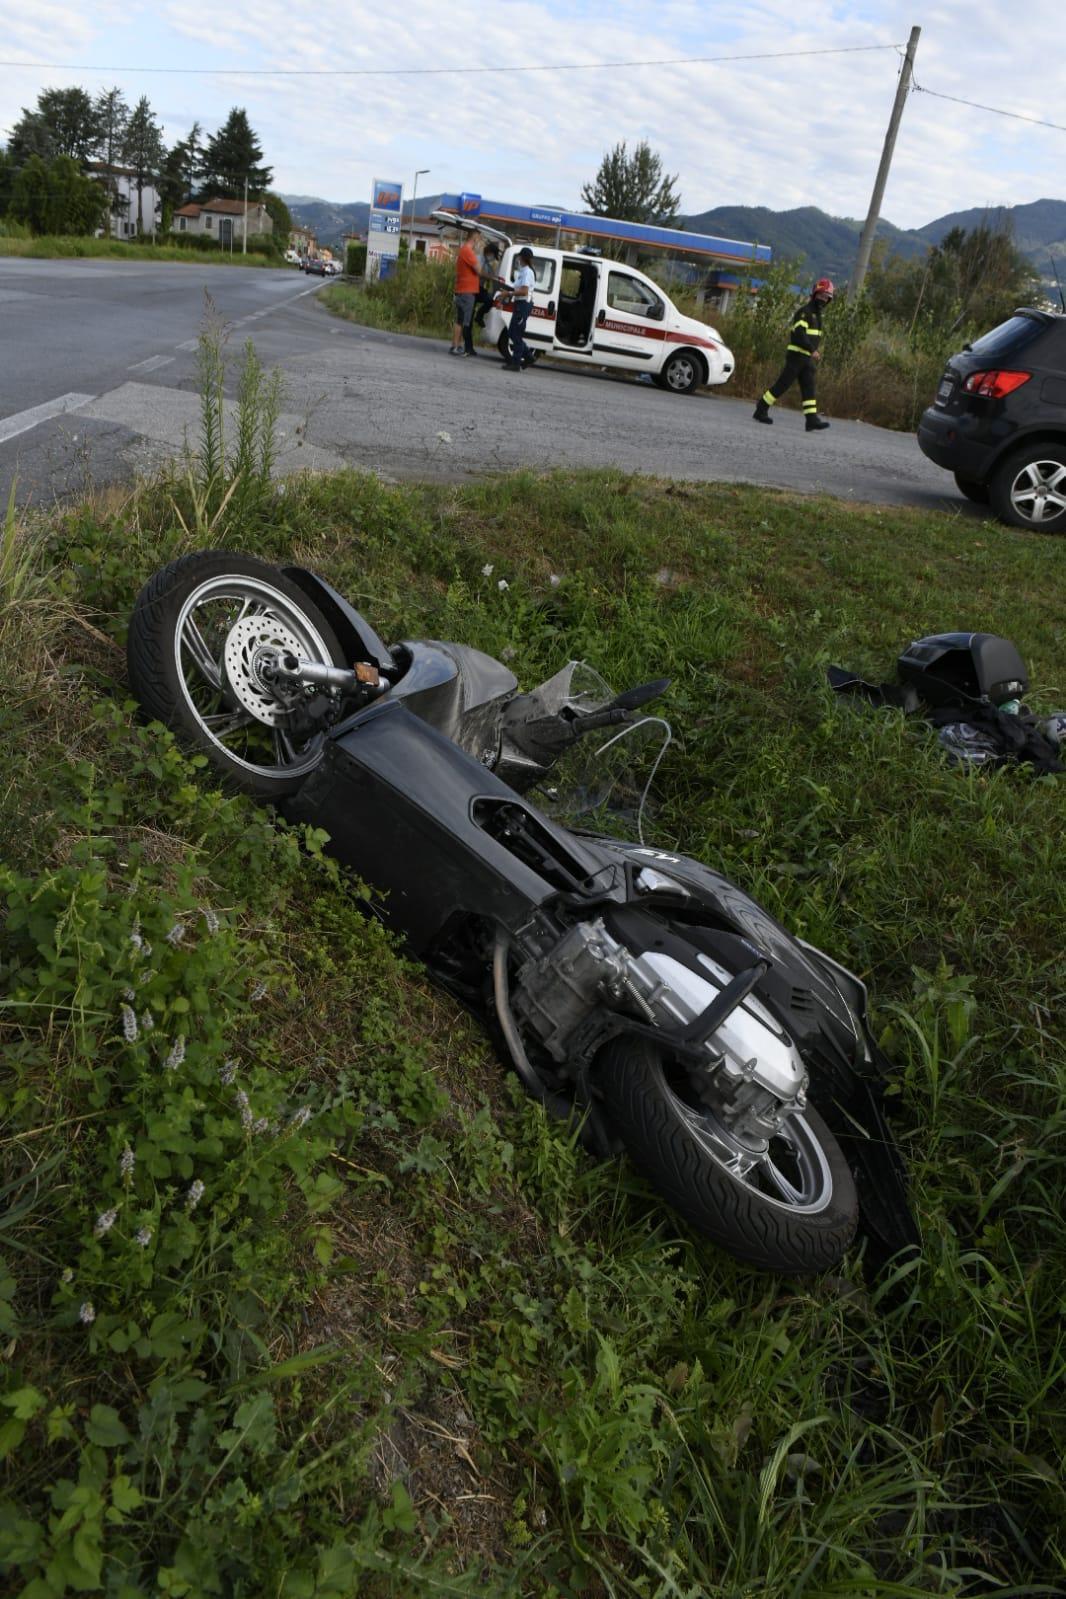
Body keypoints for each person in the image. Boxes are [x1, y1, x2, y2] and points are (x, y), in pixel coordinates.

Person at [753, 278, 834, 431]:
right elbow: (799, 334)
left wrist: (811, 352)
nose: (824, 299)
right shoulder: (805, 312)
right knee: (782, 385)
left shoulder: (817, 316)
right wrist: (812, 350)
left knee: (809, 388)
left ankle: (811, 420)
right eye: (822, 295)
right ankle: (761, 409)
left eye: (827, 297)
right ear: (815, 293)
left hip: (806, 359)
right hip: (797, 356)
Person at [501, 246, 536, 372]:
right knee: (512, 332)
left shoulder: (527, 272)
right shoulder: (523, 271)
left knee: (516, 333)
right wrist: (508, 290)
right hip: (519, 305)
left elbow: (524, 291)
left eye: (519, 256)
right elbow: (518, 288)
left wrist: (509, 294)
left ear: (523, 258)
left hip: (523, 306)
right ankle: (528, 356)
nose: (518, 258)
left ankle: (515, 363)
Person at [450, 229, 482, 357]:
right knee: (465, 321)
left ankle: (455, 345)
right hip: (467, 291)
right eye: (479, 239)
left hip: (462, 290)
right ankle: (457, 346)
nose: (479, 242)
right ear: (474, 239)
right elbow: (479, 270)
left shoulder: (464, 250)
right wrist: (478, 255)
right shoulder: (468, 251)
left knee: (460, 319)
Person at [474, 240, 502, 328]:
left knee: (492, 299)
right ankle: (479, 315)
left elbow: (492, 275)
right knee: (490, 299)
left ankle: (479, 315)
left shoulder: (487, 263)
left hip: (479, 288)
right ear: (489, 252)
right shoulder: (479, 258)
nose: (493, 258)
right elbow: (480, 272)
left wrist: (496, 278)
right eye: (493, 256)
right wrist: (490, 277)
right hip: (473, 288)